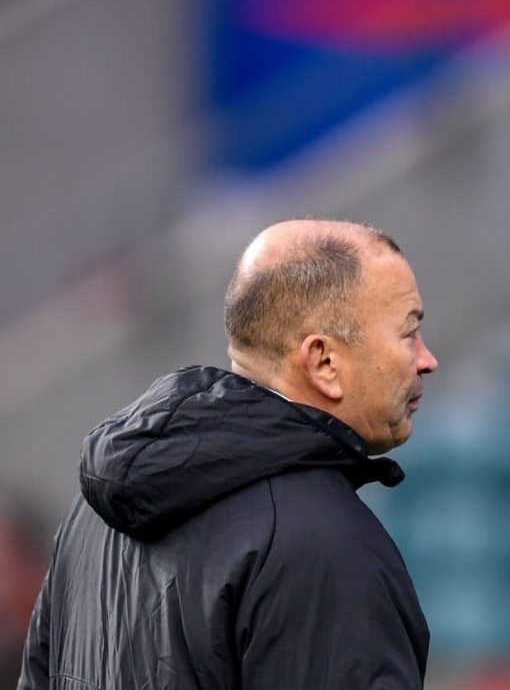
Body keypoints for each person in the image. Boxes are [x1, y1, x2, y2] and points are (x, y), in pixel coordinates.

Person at [19, 219, 438, 689]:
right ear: (323, 362)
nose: (427, 358)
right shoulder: (323, 544)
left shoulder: (89, 518)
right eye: (408, 333)